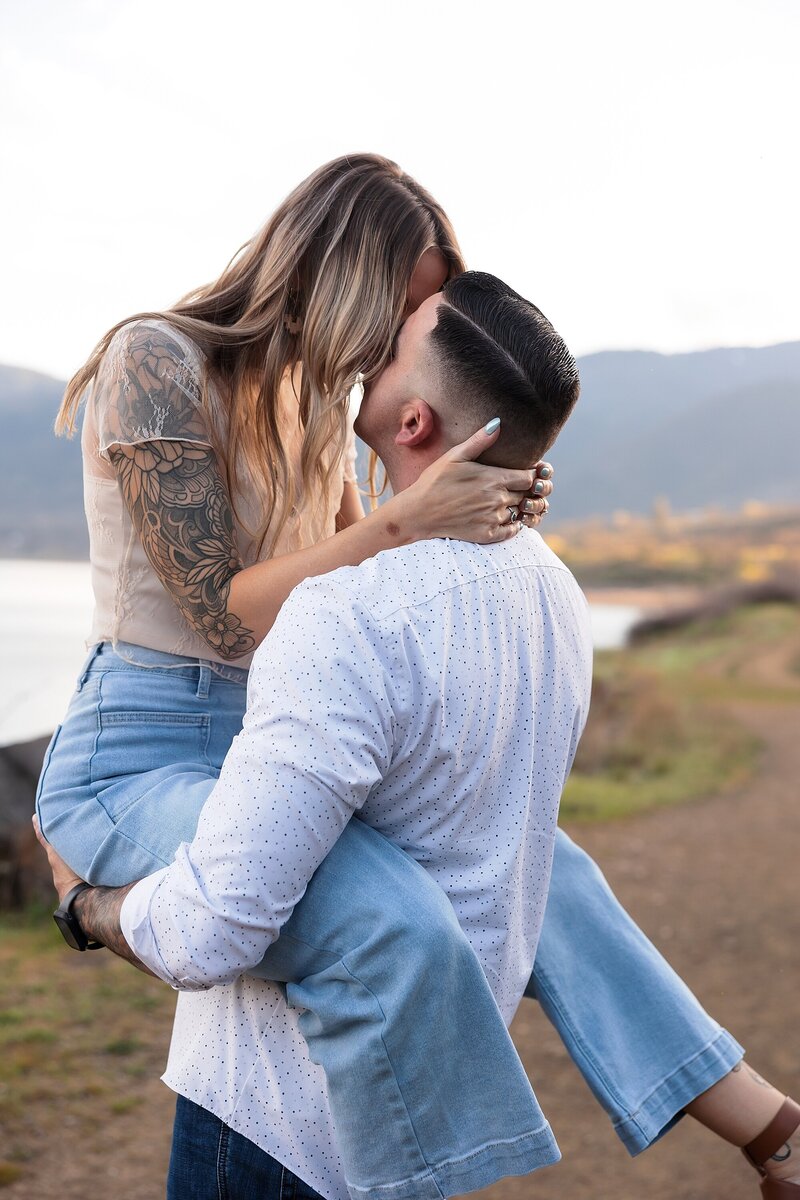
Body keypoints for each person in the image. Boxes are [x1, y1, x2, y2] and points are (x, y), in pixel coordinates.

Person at [35, 156, 799, 1197]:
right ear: (339, 269)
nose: (397, 336)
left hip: (253, 742)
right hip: (143, 754)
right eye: (405, 306)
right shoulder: (152, 358)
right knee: (383, 905)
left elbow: (367, 567)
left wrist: (482, 493)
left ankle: (771, 1129)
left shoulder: (311, 407)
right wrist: (404, 515)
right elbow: (226, 608)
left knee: (541, 867)